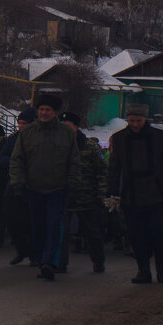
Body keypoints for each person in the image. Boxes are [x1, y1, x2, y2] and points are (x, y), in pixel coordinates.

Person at [9, 93, 80, 281]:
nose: (44, 113)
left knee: (54, 226)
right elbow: (17, 160)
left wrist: (73, 185)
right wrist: (18, 184)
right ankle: (42, 260)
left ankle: (49, 262)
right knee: (38, 227)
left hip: (58, 189)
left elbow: (74, 162)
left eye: (48, 110)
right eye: (41, 109)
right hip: (33, 189)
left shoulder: (66, 134)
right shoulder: (27, 133)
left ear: (55, 112)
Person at [107, 103, 163, 284]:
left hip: (157, 193)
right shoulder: (119, 138)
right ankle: (143, 270)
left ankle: (161, 266)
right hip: (131, 195)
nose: (135, 124)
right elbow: (114, 167)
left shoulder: (160, 137)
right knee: (136, 234)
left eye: (138, 120)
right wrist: (111, 192)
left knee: (158, 232)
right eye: (131, 120)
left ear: (145, 119)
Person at [60, 112, 106, 273]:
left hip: (86, 196)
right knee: (61, 231)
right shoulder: (58, 146)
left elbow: (101, 172)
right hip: (64, 195)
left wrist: (101, 196)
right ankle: (60, 263)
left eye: (68, 126)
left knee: (92, 232)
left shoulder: (90, 147)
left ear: (76, 127)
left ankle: (98, 261)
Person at [1, 108, 36, 264]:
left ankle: (34, 252)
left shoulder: (37, 140)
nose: (21, 126)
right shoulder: (13, 140)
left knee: (29, 220)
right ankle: (22, 249)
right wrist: (14, 163)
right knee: (11, 218)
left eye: (24, 123)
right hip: (13, 183)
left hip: (32, 184)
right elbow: (2, 157)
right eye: (19, 123)